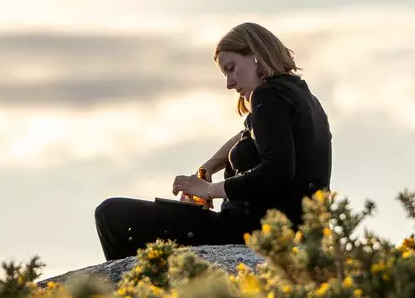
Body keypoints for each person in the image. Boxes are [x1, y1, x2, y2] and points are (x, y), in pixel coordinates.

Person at [93, 22, 332, 262]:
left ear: (256, 55)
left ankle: (131, 289)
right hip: (297, 232)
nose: (229, 83)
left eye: (231, 69)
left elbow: (277, 171)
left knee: (112, 214)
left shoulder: (267, 96)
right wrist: (207, 168)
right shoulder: (305, 100)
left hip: (245, 233)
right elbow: (249, 135)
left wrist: (209, 190)